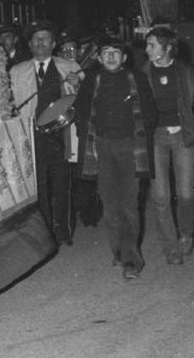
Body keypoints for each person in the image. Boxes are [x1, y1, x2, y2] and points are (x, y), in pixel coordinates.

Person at [74, 38, 156, 281]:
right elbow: (81, 113)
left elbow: (149, 115)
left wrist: (140, 144)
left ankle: (131, 260)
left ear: (125, 58)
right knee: (110, 205)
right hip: (102, 147)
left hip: (130, 146)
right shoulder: (92, 81)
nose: (110, 56)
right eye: (106, 53)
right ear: (98, 58)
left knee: (129, 204)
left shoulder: (137, 79)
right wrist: (90, 146)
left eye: (116, 53)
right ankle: (119, 251)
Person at [141, 25, 194, 264]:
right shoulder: (142, 73)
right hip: (154, 138)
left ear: (167, 47)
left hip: (183, 136)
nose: (147, 49)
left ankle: (186, 233)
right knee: (160, 196)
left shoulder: (187, 72)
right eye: (147, 45)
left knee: (185, 193)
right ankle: (170, 247)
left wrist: (193, 127)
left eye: (152, 45)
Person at [9, 20, 83, 244]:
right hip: (32, 136)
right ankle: (44, 233)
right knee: (37, 187)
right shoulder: (16, 71)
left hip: (62, 135)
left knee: (63, 185)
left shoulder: (71, 68)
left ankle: (64, 231)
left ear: (53, 44)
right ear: (30, 44)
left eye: (46, 38)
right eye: (36, 39)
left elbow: (84, 100)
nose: (41, 42)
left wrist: (78, 84)